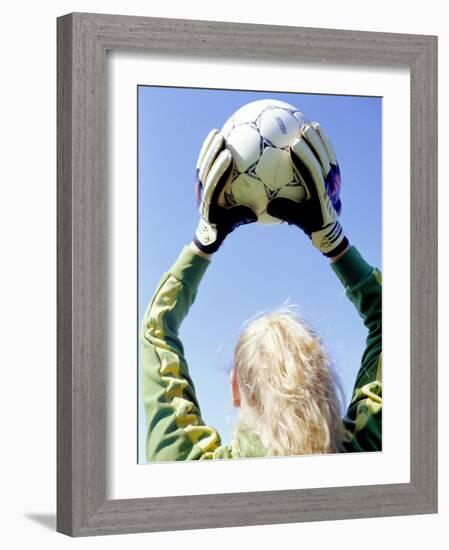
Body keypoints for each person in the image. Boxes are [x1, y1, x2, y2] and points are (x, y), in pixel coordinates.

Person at [140, 123, 382, 461]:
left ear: (235, 387)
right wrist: (332, 240)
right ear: (324, 380)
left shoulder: (187, 470)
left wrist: (204, 240)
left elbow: (156, 331)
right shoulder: (371, 451)